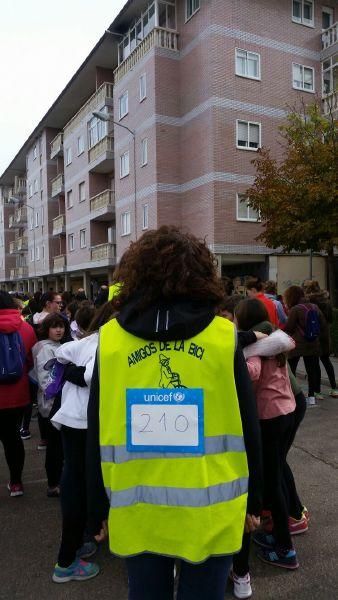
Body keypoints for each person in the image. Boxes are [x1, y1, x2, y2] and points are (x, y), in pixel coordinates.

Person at [87, 226, 263, 600]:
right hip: (212, 509)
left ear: (135, 275)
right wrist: (255, 498)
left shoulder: (112, 340)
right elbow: (250, 426)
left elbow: (95, 427)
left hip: (137, 510)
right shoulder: (222, 337)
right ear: (201, 276)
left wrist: (96, 505)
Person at [51, 301, 116, 583]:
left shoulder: (87, 339)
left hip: (70, 420)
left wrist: (69, 371)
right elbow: (92, 375)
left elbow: (62, 353)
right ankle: (67, 560)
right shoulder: (108, 342)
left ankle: (79, 543)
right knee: (81, 484)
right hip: (85, 423)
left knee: (75, 481)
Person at [234, 298, 298, 570]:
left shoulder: (257, 346)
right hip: (287, 410)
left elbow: (252, 374)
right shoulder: (274, 338)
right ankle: (279, 535)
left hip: (269, 416)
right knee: (275, 477)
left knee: (270, 483)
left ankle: (285, 549)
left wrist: (234, 359)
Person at [0, 291, 37, 496]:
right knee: (12, 438)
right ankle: (16, 483)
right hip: (17, 395)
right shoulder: (26, 328)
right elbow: (31, 361)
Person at [32, 314, 65, 497]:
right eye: (54, 327)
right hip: (52, 404)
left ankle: (56, 481)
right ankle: (53, 483)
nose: (59, 330)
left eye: (61, 326)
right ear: (47, 329)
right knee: (55, 447)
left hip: (53, 403)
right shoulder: (46, 349)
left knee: (57, 446)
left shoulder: (53, 346)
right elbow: (47, 380)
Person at [283, 285, 325, 407]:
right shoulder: (314, 306)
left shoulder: (295, 309)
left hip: (297, 345)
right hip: (313, 344)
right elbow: (322, 325)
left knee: (291, 370)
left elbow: (289, 327)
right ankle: (311, 397)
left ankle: (294, 395)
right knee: (311, 371)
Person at [303, 280, 338, 398]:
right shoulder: (326, 300)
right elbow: (331, 318)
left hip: (315, 333)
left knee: (315, 364)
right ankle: (334, 388)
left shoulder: (310, 301)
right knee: (327, 361)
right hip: (325, 333)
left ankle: (317, 391)